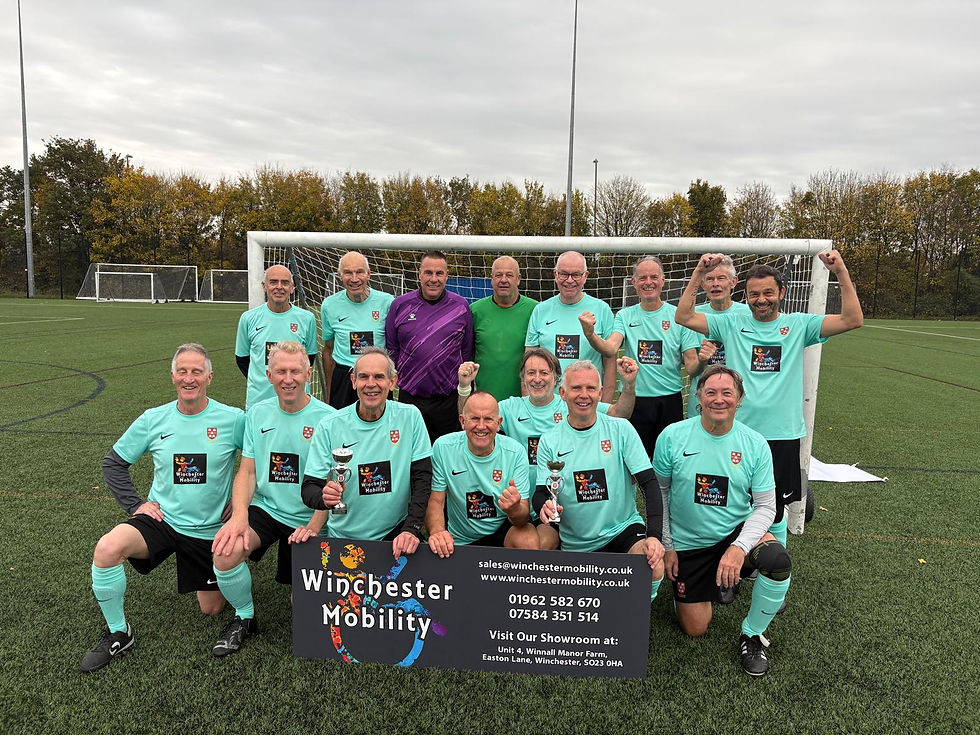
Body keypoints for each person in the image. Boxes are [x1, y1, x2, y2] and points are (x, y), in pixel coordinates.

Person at [675, 251, 864, 548]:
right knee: (733, 500)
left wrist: (840, 271)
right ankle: (736, 557)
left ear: (782, 293)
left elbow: (853, 319)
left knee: (774, 507)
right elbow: (683, 316)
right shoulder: (731, 324)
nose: (761, 299)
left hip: (782, 434)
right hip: (739, 433)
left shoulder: (800, 325)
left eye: (767, 293)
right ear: (745, 295)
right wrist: (699, 272)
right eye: (754, 294)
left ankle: (771, 568)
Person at [81, 344, 245, 673]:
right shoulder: (152, 419)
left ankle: (225, 572)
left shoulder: (233, 419)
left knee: (211, 609)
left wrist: (242, 504)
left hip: (208, 528)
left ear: (209, 377)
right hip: (163, 521)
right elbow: (114, 463)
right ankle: (118, 631)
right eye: (182, 371)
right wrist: (137, 504)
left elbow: (258, 463)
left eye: (197, 371)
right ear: (172, 376)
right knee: (107, 547)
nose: (189, 378)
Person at [654, 365, 791, 676]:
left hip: (735, 533)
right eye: (711, 392)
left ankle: (752, 634)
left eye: (727, 393)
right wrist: (669, 546)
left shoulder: (754, 443)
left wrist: (739, 547)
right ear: (698, 397)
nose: (719, 399)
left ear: (739, 399)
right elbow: (658, 494)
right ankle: (712, 583)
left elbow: (767, 506)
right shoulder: (672, 437)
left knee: (776, 558)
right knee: (695, 629)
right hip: (689, 544)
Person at [209, 341, 335, 657]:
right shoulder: (258, 414)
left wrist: (315, 527)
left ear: (309, 373)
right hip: (267, 509)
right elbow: (247, 472)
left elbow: (333, 484)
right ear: (269, 374)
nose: (288, 378)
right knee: (225, 553)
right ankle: (244, 617)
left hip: (309, 516)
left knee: (305, 606)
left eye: (295, 371)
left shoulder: (329, 418)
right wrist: (240, 516)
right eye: (281, 371)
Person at [532, 361, 665, 599]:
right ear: (562, 393)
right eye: (576, 388)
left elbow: (649, 484)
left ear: (601, 393)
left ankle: (638, 612)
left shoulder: (621, 429)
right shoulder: (550, 440)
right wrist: (543, 505)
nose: (584, 395)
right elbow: (542, 492)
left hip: (622, 529)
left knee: (653, 564)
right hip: (576, 540)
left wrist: (654, 535)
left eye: (591, 388)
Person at [301, 347, 432, 557]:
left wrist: (411, 528)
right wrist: (323, 497)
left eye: (379, 376)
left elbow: (422, 478)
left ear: (393, 381)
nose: (371, 384)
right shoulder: (329, 425)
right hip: (343, 537)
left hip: (394, 532)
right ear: (353, 381)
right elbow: (309, 488)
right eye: (363, 377)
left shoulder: (410, 417)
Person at [580, 256, 702, 459]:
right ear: (634, 283)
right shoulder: (624, 316)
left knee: (670, 458)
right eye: (642, 278)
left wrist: (703, 359)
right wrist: (590, 334)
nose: (648, 282)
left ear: (663, 281)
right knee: (635, 461)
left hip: (669, 399)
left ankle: (664, 492)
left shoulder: (679, 317)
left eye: (654, 277)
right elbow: (610, 348)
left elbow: (691, 366)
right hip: (634, 400)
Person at [426, 391, 538, 556]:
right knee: (439, 543)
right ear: (462, 421)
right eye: (474, 418)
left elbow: (522, 517)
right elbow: (436, 500)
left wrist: (514, 508)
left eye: (488, 419)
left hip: (502, 530)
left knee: (527, 539)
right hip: (461, 537)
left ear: (499, 423)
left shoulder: (515, 452)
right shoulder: (443, 447)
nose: (481, 426)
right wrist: (437, 532)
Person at [385, 251, 474, 443]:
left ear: (447, 275)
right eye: (428, 273)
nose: (433, 279)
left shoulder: (460, 306)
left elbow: (466, 351)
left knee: (447, 455)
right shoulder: (400, 305)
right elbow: (392, 351)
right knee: (412, 455)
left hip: (448, 401)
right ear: (419, 274)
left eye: (439, 273)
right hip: (411, 399)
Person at [525, 251, 617, 402]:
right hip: (547, 404)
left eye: (576, 275)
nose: (569, 280)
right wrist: (527, 403)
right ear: (555, 275)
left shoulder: (602, 309)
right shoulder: (541, 310)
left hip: (586, 403)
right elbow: (528, 361)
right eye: (563, 274)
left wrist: (605, 406)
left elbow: (610, 363)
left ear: (585, 276)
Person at [235, 264, 318, 410]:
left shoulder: (307, 318)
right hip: (259, 400)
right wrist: (264, 379)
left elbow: (310, 358)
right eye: (273, 282)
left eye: (285, 283)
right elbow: (242, 359)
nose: (279, 287)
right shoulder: (248, 318)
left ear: (292, 288)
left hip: (297, 401)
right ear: (264, 286)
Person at [320, 251, 394, 410]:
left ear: (368, 274)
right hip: (344, 377)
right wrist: (329, 390)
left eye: (359, 272)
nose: (354, 279)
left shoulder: (387, 302)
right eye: (348, 273)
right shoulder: (329, 305)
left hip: (376, 376)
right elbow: (328, 349)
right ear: (339, 275)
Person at [685, 255, 750, 416]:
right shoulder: (692, 317)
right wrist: (702, 360)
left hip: (740, 402)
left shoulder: (749, 314)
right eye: (710, 279)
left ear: (733, 282)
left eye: (721, 278)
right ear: (702, 284)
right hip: (703, 403)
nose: (716, 284)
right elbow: (691, 370)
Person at [469, 256, 537, 401]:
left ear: (518, 279)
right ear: (491, 279)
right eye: (498, 275)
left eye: (509, 275)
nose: (503, 280)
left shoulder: (535, 310)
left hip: (524, 401)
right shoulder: (475, 311)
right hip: (484, 402)